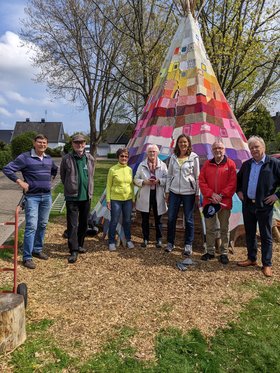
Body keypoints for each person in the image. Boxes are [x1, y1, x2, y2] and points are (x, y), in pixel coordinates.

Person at [3, 134, 58, 269]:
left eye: (44, 143)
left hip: (46, 197)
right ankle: (27, 257)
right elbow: (7, 169)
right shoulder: (25, 157)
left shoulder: (48, 158)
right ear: (34, 143)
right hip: (32, 197)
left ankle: (37, 250)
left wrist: (49, 181)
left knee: (43, 224)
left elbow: (54, 170)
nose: (42, 145)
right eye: (39, 142)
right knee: (31, 226)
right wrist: (20, 182)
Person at [236, 136, 280, 277]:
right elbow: (238, 180)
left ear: (263, 147)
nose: (254, 150)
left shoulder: (273, 163)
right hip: (248, 205)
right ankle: (251, 258)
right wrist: (239, 192)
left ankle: (267, 264)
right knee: (250, 233)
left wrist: (277, 196)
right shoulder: (247, 164)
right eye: (251, 148)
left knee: (266, 235)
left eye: (256, 147)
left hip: (264, 206)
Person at [199, 140, 237, 264]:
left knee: (224, 228)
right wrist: (211, 194)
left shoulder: (230, 164)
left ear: (224, 149)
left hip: (224, 202)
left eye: (220, 148)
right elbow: (202, 181)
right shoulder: (207, 165)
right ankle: (210, 251)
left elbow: (232, 183)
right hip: (209, 202)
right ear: (212, 150)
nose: (217, 150)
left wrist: (221, 195)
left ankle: (224, 252)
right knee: (210, 228)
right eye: (215, 149)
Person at [60, 134, 94, 264]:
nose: (79, 145)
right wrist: (70, 187)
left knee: (84, 223)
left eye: (81, 143)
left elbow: (91, 175)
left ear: (85, 144)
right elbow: (63, 176)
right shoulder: (66, 159)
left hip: (86, 196)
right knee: (72, 224)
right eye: (76, 143)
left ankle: (80, 244)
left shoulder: (90, 158)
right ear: (72, 144)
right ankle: (73, 250)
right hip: (72, 197)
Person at [165, 134, 200, 255]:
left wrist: (197, 193)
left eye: (185, 142)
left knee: (189, 219)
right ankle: (170, 242)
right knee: (171, 218)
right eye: (180, 142)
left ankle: (188, 245)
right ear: (177, 144)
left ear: (189, 144)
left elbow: (197, 177)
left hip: (188, 193)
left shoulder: (194, 157)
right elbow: (169, 175)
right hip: (174, 192)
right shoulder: (173, 157)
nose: (183, 144)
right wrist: (167, 191)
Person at [134, 144, 168, 248]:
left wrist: (159, 181)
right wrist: (144, 182)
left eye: (154, 151)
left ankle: (159, 239)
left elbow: (167, 179)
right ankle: (145, 238)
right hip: (146, 194)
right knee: (145, 219)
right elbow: (135, 179)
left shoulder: (163, 165)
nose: (152, 153)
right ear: (147, 153)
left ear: (157, 153)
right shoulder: (142, 165)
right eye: (150, 152)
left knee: (158, 219)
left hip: (157, 194)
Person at [106, 148, 134, 251]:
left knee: (127, 220)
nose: (124, 158)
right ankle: (111, 241)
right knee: (114, 221)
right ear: (118, 157)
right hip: (115, 199)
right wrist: (108, 200)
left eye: (126, 156)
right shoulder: (112, 169)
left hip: (128, 199)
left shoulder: (130, 170)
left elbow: (131, 185)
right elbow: (108, 186)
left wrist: (133, 199)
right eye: (122, 156)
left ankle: (128, 239)